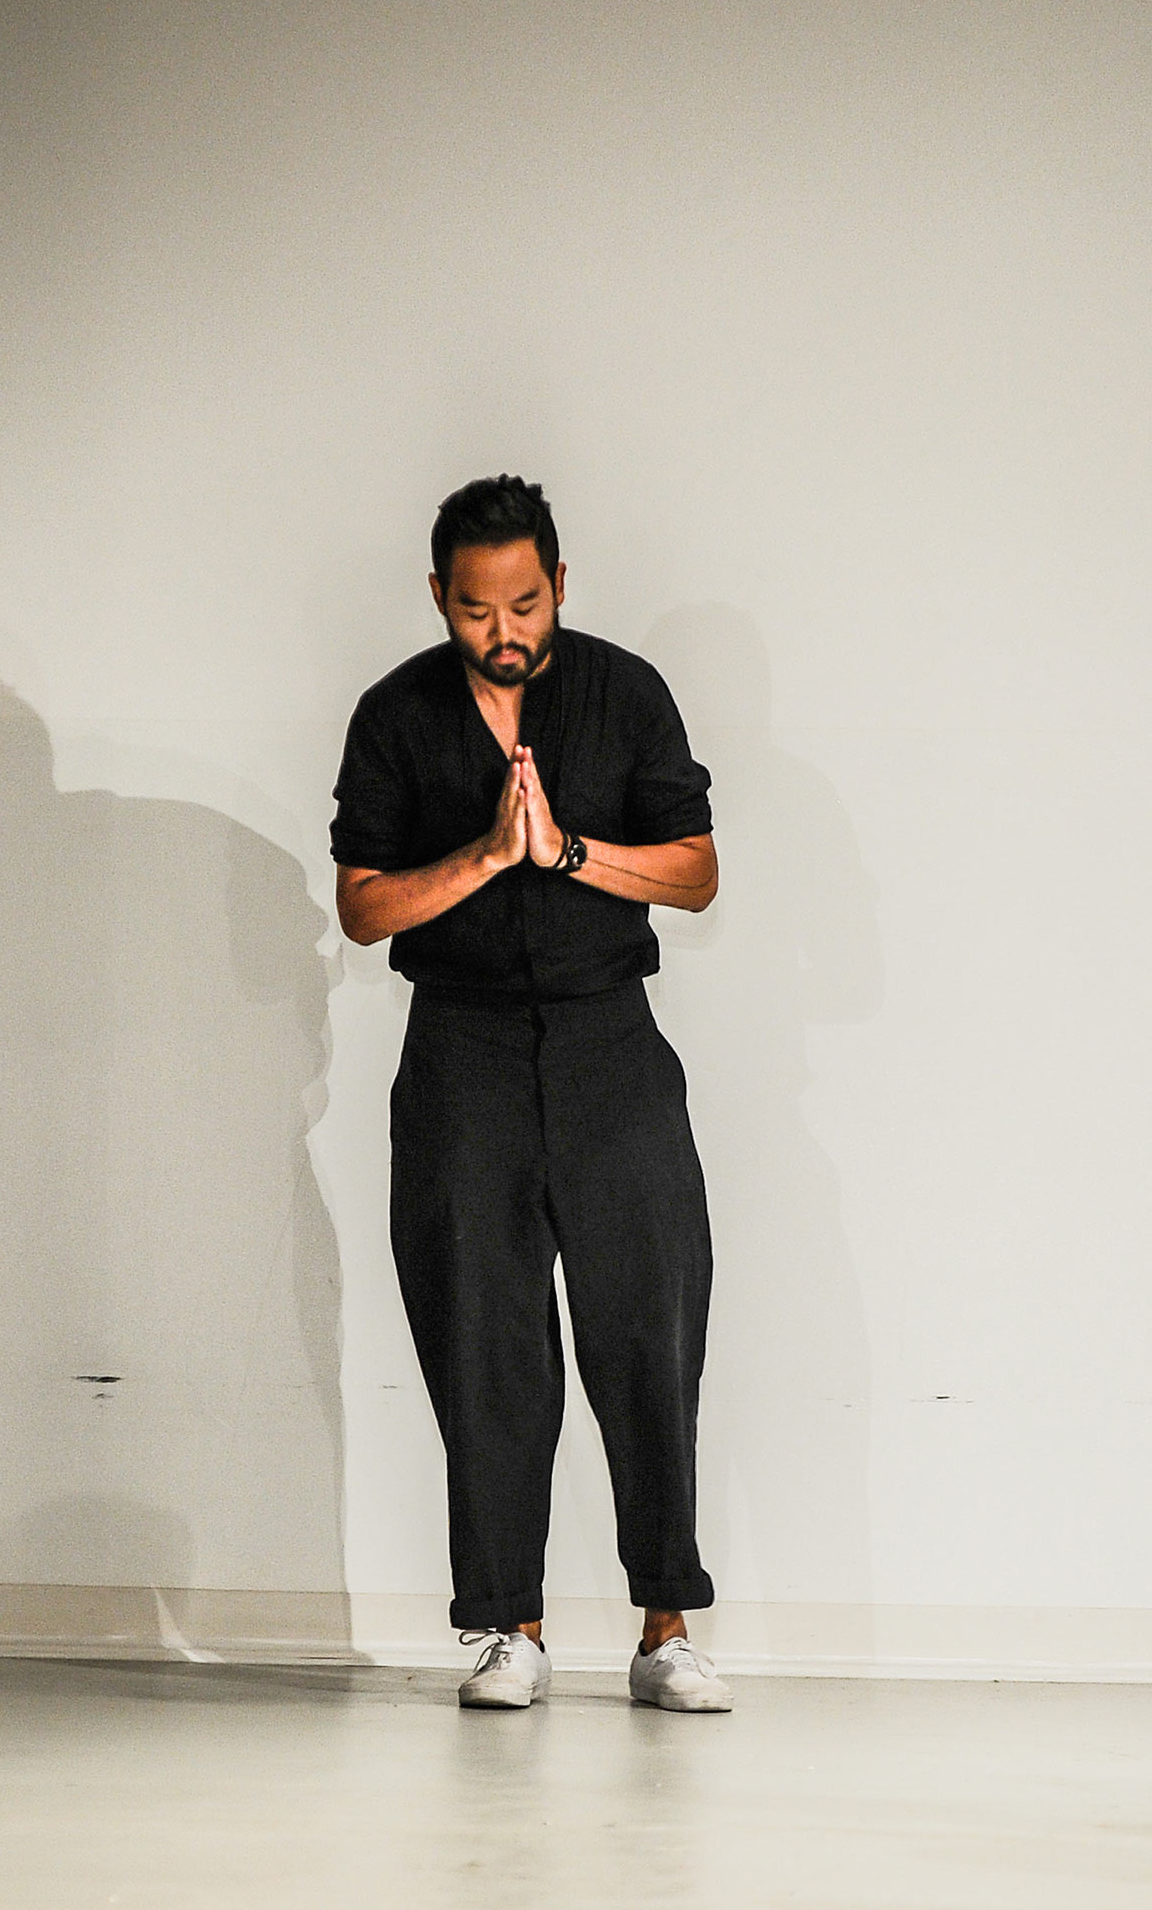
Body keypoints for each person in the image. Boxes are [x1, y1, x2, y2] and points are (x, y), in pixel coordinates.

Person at [330, 475, 732, 1713]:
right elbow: (363, 906)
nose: (500, 630)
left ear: (558, 580)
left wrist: (562, 852)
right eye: (473, 608)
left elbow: (696, 873)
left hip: (611, 1041)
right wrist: (485, 855)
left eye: (521, 602)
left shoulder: (625, 694)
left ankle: (665, 1627)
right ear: (437, 595)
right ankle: (511, 1626)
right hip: (461, 1052)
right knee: (483, 1340)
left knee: (647, 1328)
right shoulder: (395, 715)